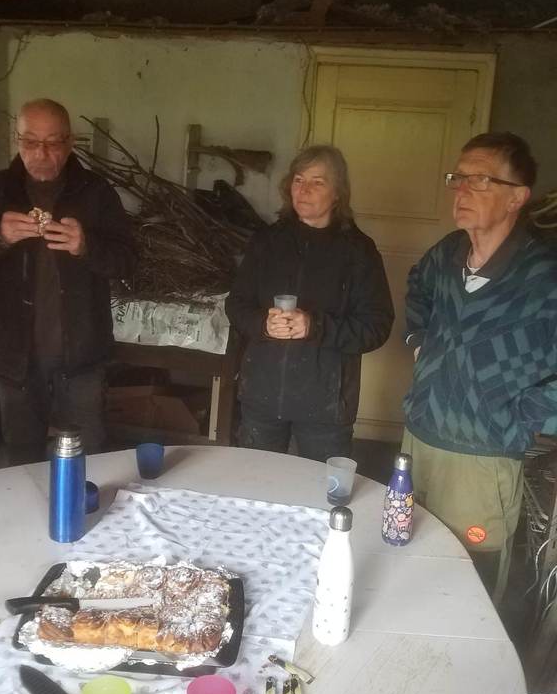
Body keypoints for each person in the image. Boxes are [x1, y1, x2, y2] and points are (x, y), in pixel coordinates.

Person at [402, 131, 557, 602]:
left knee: (470, 585)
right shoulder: (448, 253)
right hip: (420, 437)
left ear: (517, 197)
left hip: (483, 457)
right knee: (406, 556)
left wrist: (524, 414)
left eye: (481, 180)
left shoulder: (543, 276)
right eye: (459, 178)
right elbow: (417, 287)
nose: (463, 190)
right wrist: (418, 341)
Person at [0, 98, 136, 464]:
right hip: (13, 356)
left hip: (81, 356)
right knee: (21, 459)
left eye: (52, 142)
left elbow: (127, 262)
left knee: (87, 456)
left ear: (69, 142)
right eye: (31, 142)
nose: (41, 153)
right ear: (17, 140)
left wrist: (86, 246)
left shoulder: (95, 192)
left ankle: (81, 501)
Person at [225, 144, 394, 462]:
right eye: (299, 180)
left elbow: (376, 326)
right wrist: (263, 324)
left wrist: (314, 326)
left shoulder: (358, 251)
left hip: (325, 405)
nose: (304, 190)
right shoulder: (267, 241)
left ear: (337, 193)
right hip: (263, 395)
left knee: (321, 489)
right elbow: (236, 304)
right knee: (256, 483)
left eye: (318, 182)